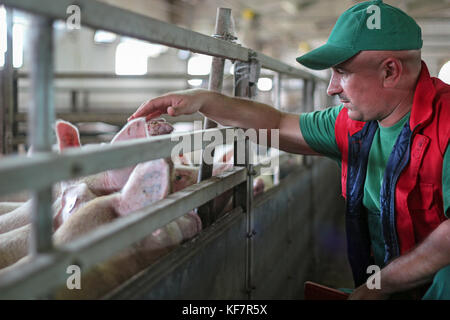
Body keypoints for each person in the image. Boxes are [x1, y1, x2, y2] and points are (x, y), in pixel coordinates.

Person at [129, 0, 450, 299]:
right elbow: (278, 123)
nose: (331, 87)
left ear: (390, 71)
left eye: (342, 72)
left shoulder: (446, 124)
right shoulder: (354, 125)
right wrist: (202, 99)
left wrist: (380, 285)